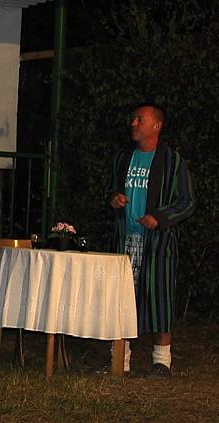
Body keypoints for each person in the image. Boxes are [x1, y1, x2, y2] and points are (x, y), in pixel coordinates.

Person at [107, 103, 195, 379]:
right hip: (126, 239)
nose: (133, 123)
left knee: (159, 297)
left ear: (156, 126)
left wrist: (160, 217)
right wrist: (114, 198)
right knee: (120, 298)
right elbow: (110, 191)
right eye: (133, 119)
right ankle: (120, 361)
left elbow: (188, 201)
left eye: (139, 119)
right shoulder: (123, 158)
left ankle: (162, 361)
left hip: (158, 242)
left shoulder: (172, 161)